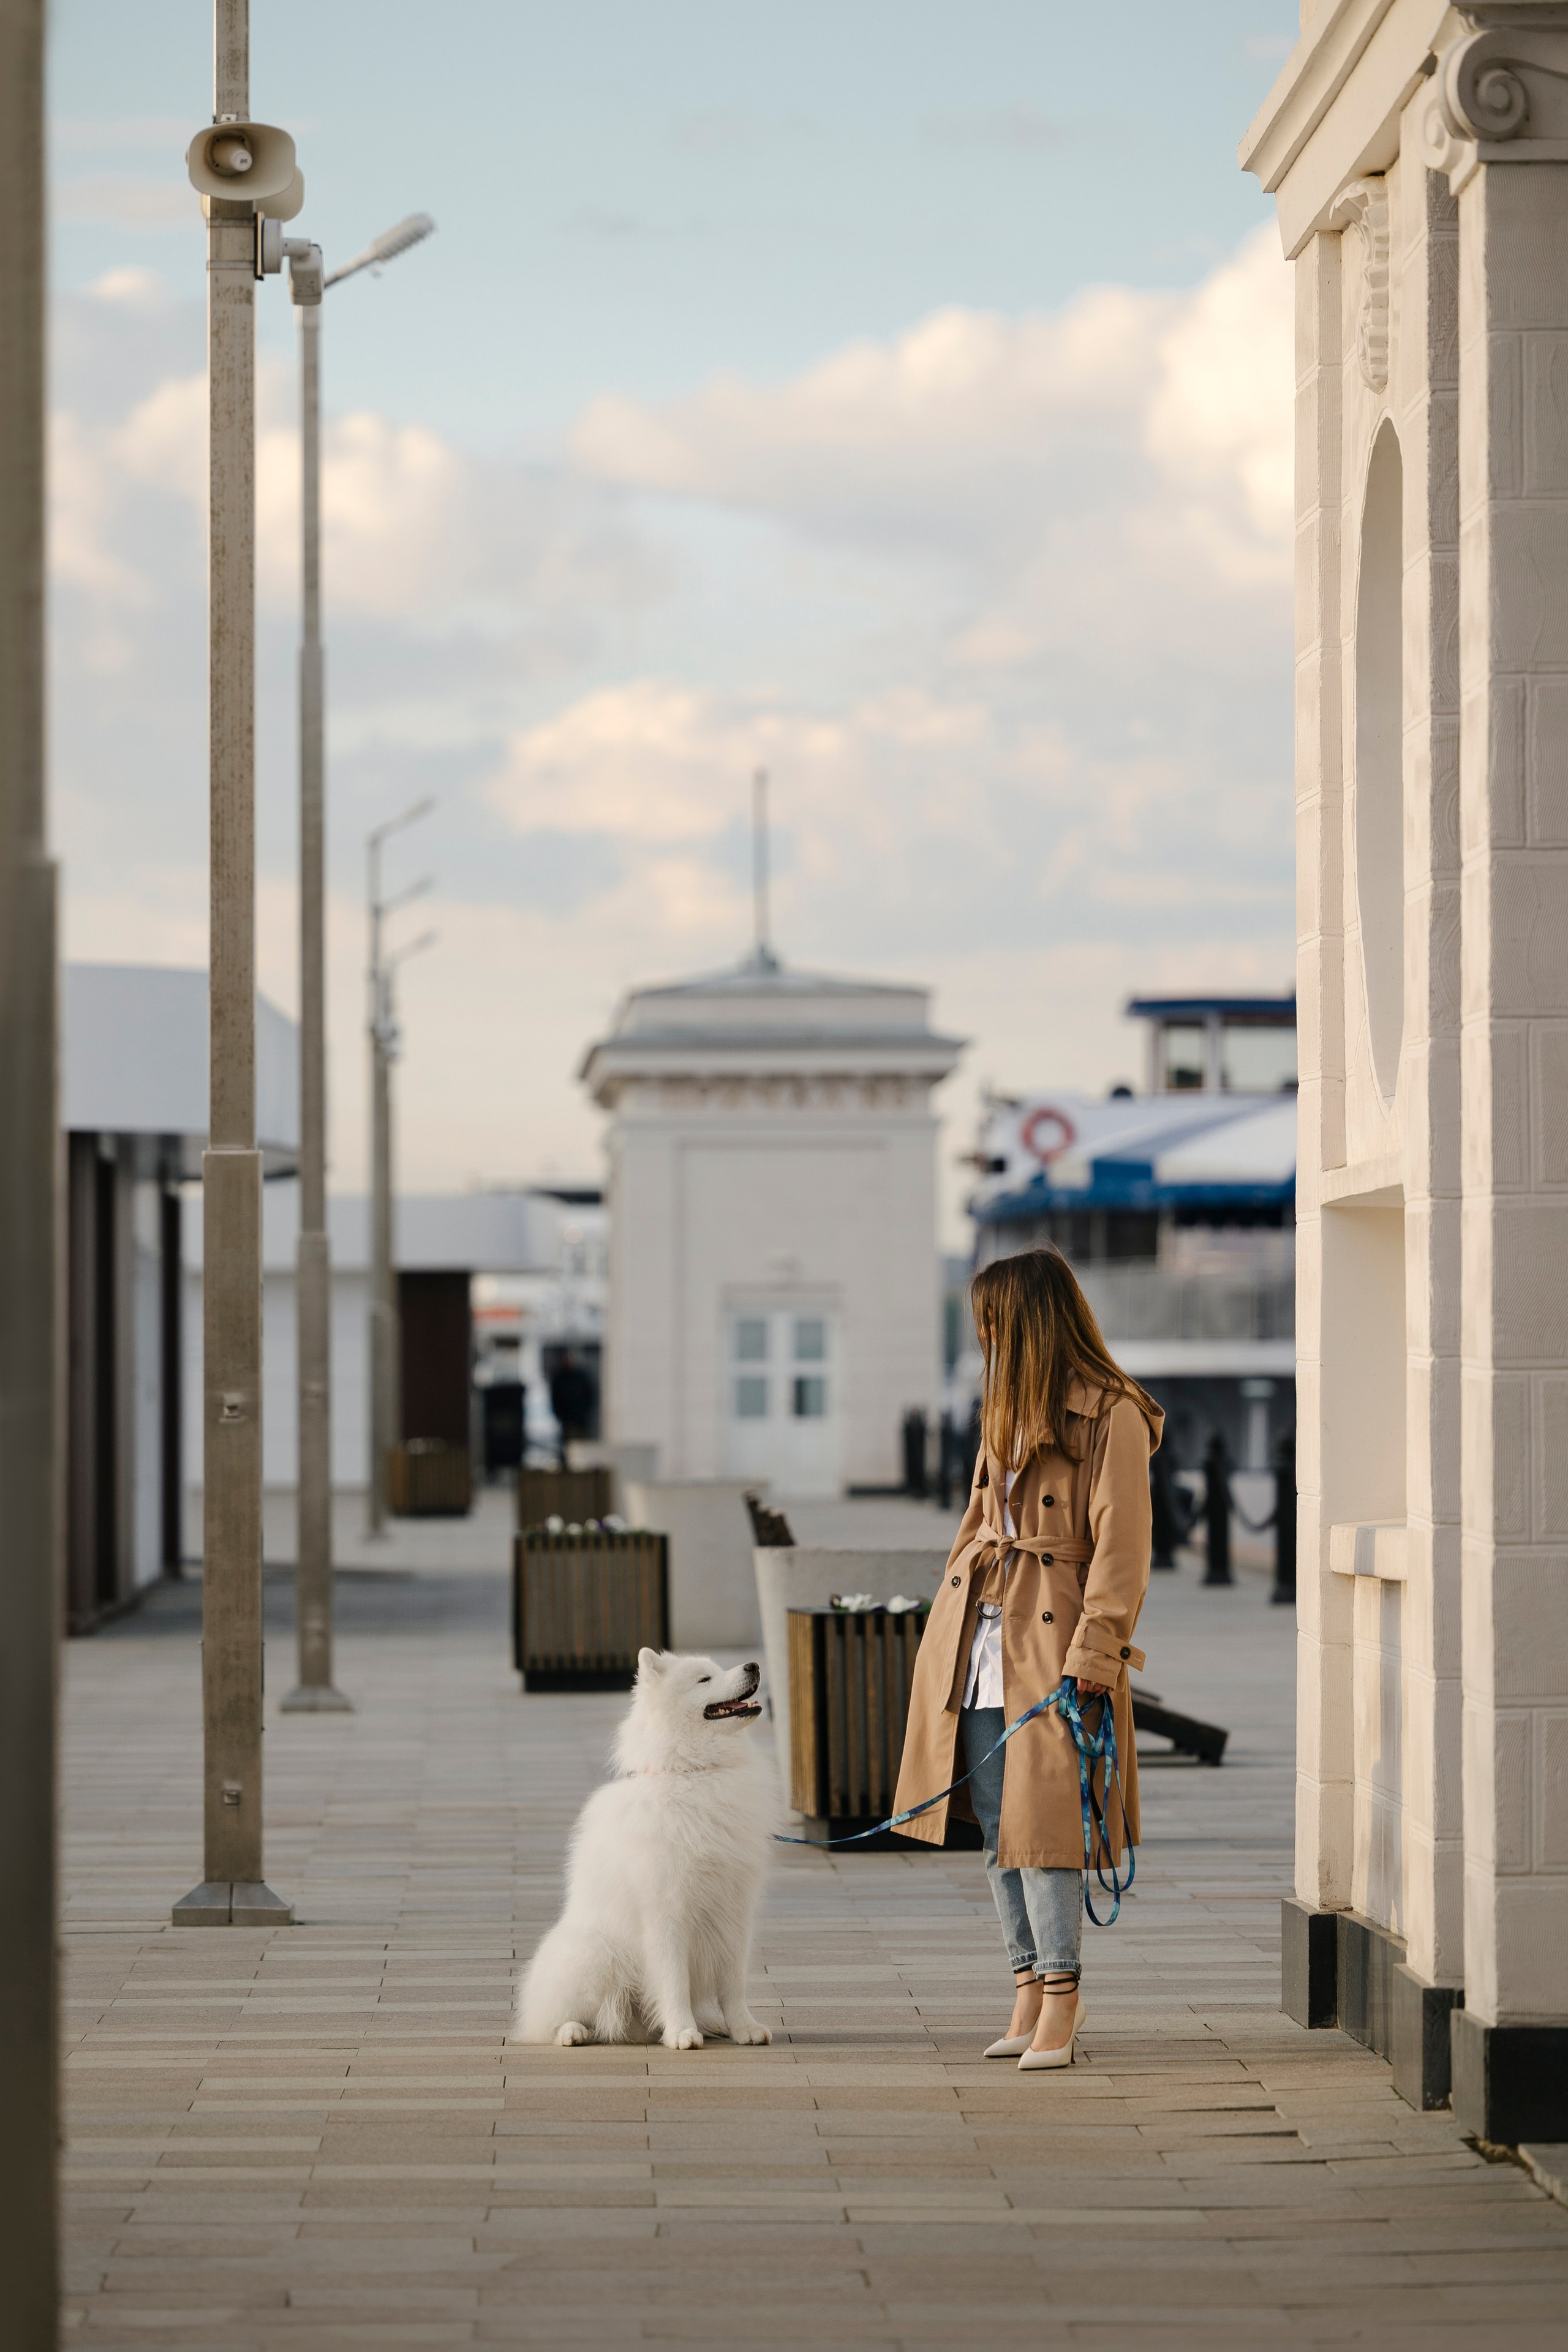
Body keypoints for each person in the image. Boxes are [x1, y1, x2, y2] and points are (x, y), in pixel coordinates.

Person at [892, 1246, 1163, 2073]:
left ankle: (1062, 1991)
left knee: (1044, 1827)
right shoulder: (1003, 1406)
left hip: (1053, 1636)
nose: (984, 1335)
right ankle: (1023, 1983)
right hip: (980, 1635)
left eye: (994, 1319)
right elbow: (981, 1515)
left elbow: (1123, 1545)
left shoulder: (1110, 1411)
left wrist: (1099, 1650)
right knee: (995, 1824)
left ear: (1030, 1320)